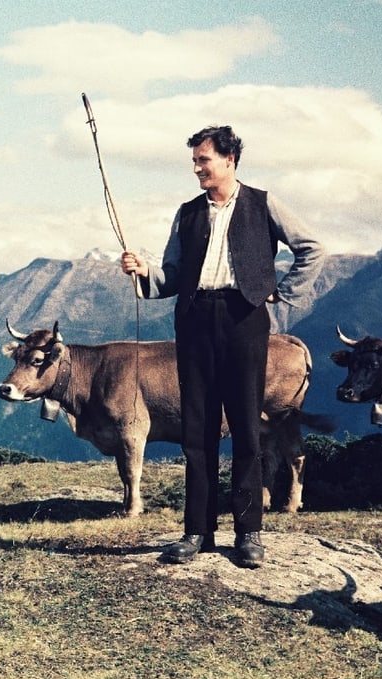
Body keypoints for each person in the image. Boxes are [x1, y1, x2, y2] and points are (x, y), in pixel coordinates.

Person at [120, 126, 326, 568]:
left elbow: (313, 248)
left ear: (230, 159)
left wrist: (278, 291)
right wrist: (142, 270)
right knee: (198, 428)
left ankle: (249, 533)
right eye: (194, 161)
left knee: (248, 428)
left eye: (203, 160)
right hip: (194, 322)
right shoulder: (188, 213)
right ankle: (197, 531)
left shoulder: (264, 203)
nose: (197, 168)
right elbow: (172, 276)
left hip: (244, 320)